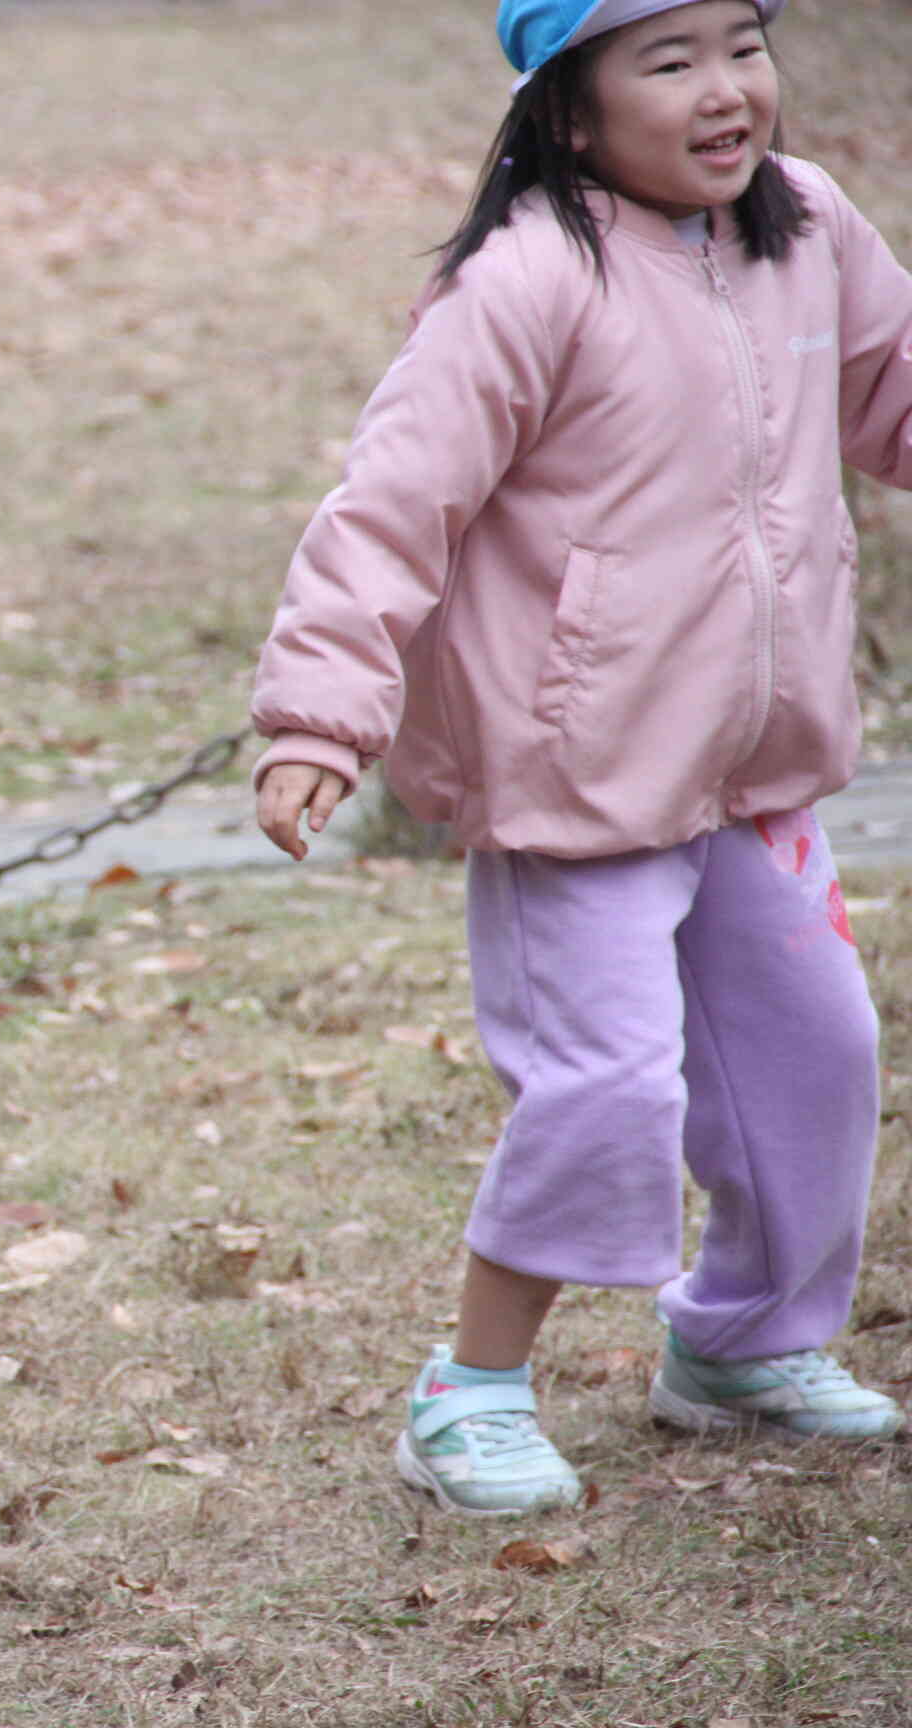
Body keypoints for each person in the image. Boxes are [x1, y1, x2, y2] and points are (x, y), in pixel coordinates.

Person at [251, 0, 912, 1518]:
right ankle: (468, 1387)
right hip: (577, 778)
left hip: (752, 771)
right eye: (667, 61)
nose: (725, 89)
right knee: (606, 1087)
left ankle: (743, 1340)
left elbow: (895, 394)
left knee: (818, 1057)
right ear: (566, 110)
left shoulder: (806, 227)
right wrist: (317, 716)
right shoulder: (532, 275)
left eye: (741, 43)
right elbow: (391, 505)